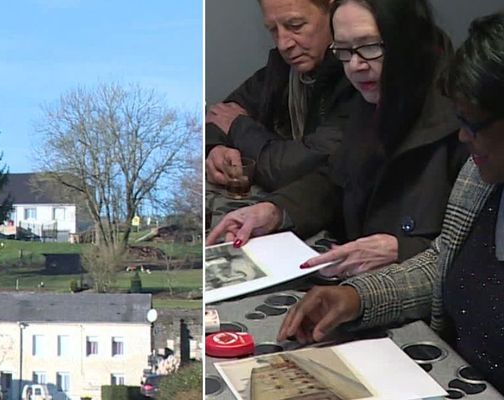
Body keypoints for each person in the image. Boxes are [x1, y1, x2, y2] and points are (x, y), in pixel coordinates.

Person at [278, 11, 504, 392]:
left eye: (472, 124)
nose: (463, 138)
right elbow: (441, 265)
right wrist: (357, 298)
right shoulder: (479, 179)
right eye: (344, 51)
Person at [207, 0, 467, 278]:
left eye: (369, 46)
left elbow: (477, 257)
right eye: (343, 51)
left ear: (410, 39)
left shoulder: (465, 122)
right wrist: (276, 211)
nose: (355, 65)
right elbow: (336, 180)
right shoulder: (374, 98)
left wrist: (403, 249)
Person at [206, 0, 356, 191]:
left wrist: (237, 127)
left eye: (295, 26)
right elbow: (218, 116)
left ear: (334, 12)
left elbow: (301, 168)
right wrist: (216, 150)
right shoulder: (279, 71)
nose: (283, 44)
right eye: (273, 30)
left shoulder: (358, 79)